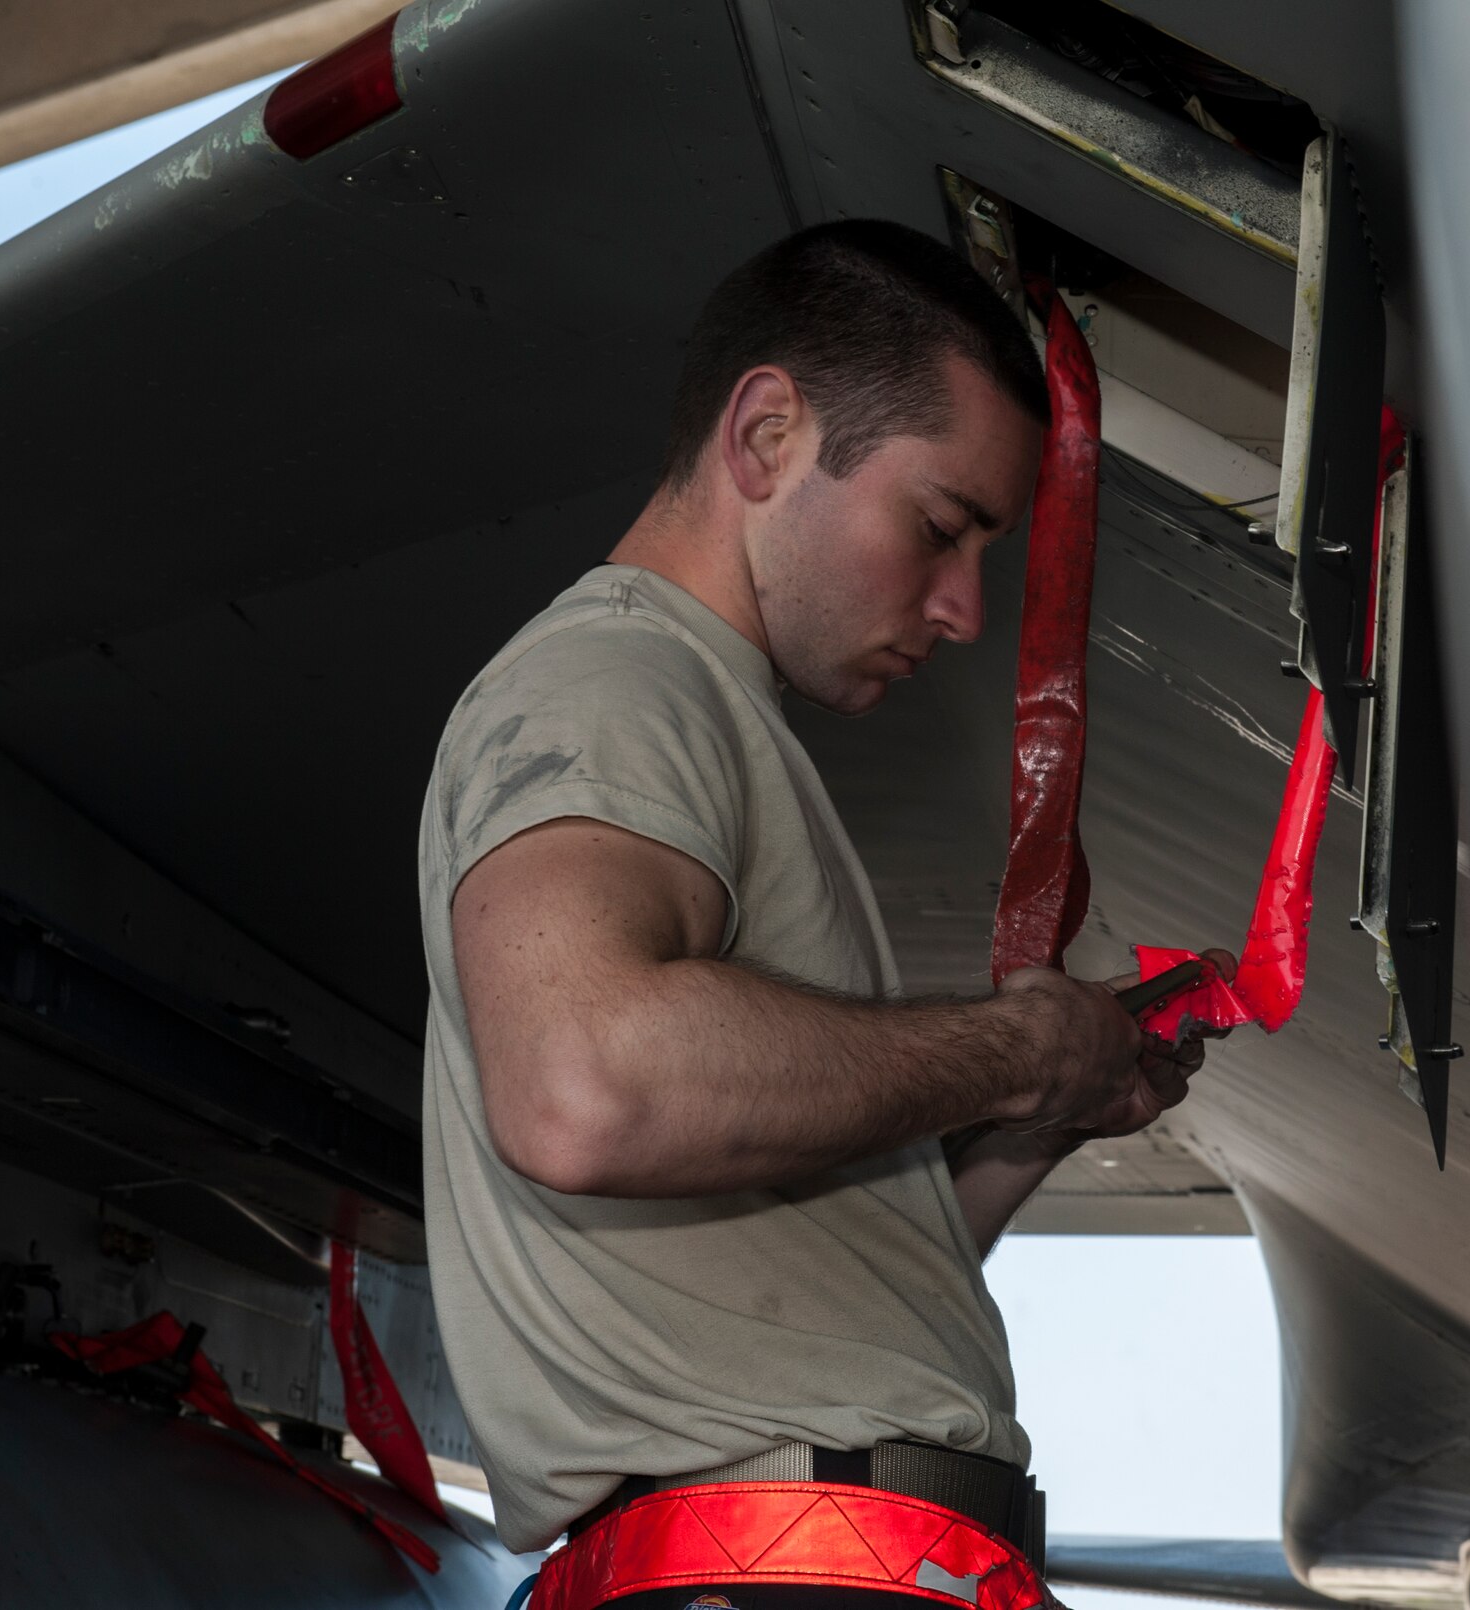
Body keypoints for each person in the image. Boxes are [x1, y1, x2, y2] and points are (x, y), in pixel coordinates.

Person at [419, 220, 1223, 1598]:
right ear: (769, 435)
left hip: (835, 1555)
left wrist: (1036, 1121)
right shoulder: (613, 684)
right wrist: (1023, 1047)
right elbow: (582, 1087)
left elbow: (839, 1309)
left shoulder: (699, 725)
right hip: (788, 1569)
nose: (966, 607)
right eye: (940, 528)